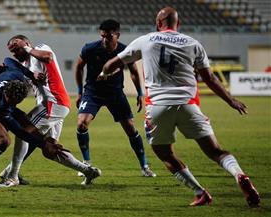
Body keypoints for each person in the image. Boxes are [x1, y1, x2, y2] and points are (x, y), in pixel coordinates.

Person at [99, 7, 260, 207]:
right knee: (216, 151)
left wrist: (104, 74)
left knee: (164, 153)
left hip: (158, 106)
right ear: (178, 24)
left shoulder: (146, 40)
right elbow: (209, 79)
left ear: (158, 23)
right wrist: (230, 100)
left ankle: (200, 192)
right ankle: (239, 175)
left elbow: (112, 64)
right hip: (188, 105)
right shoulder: (194, 44)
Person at [0, 57, 100, 188]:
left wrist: (30, 74)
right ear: (6, 94)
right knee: (3, 140)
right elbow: (19, 131)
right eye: (12, 102)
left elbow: (8, 60)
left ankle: (87, 171)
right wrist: (42, 144)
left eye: (17, 103)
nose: (14, 104)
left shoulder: (15, 75)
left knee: (33, 129)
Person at [0, 35, 101, 188]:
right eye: (13, 52)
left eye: (17, 49)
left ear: (26, 43)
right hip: (55, 106)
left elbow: (48, 57)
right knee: (50, 148)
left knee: (23, 131)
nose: (16, 54)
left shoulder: (40, 48)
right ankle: (88, 171)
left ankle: (12, 177)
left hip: (53, 102)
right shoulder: (27, 65)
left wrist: (27, 48)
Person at [75, 19, 156, 177]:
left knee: (131, 129)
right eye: (102, 36)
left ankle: (144, 166)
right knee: (81, 124)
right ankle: (86, 164)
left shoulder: (124, 51)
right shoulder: (90, 48)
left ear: (117, 35)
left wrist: (140, 93)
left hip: (115, 94)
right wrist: (79, 92)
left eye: (109, 37)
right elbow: (79, 66)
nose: (105, 40)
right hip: (92, 93)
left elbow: (133, 71)